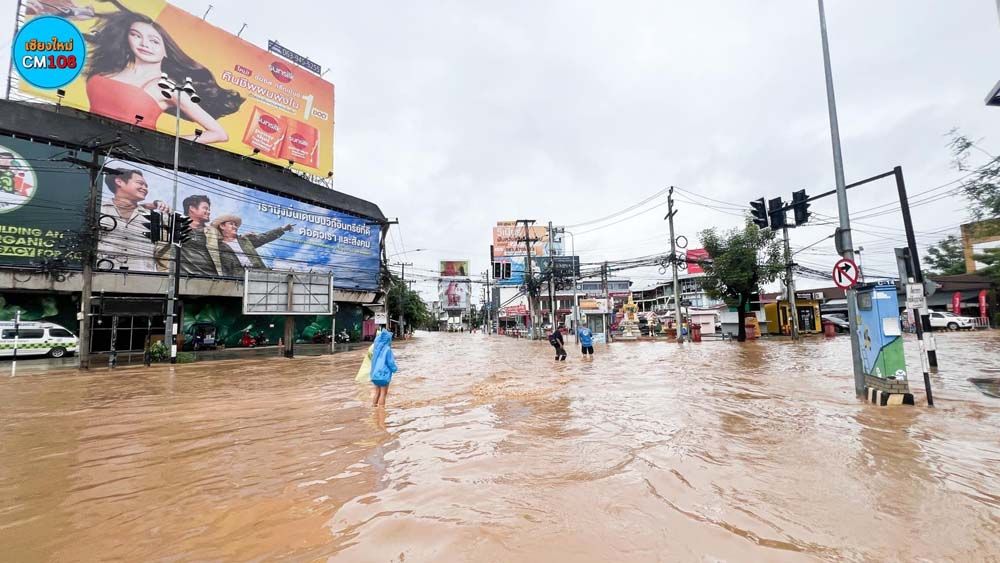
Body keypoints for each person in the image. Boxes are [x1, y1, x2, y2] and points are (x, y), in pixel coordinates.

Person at [84, 6, 244, 143]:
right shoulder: (108, 69)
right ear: (127, 38)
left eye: (154, 41)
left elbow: (219, 134)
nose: (144, 44)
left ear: (166, 50)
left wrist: (168, 144)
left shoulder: (165, 87)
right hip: (87, 140)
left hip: (127, 151)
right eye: (136, 35)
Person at [98, 168, 170, 272]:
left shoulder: (153, 217)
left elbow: (162, 254)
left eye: (146, 186)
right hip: (100, 278)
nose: (145, 188)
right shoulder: (100, 210)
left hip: (142, 281)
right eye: (140, 183)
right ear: (119, 182)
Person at [205, 214, 294, 276]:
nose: (235, 227)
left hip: (259, 275)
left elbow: (264, 237)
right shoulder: (218, 247)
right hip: (238, 282)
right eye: (231, 224)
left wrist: (282, 229)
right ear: (222, 226)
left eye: (236, 225)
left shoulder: (245, 240)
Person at [179, 194, 218, 276]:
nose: (209, 212)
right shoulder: (177, 228)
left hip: (213, 279)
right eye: (205, 208)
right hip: (184, 280)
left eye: (209, 209)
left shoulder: (212, 232)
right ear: (192, 208)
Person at [369, 329, 398, 408]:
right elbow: (390, 363)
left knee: (376, 393)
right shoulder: (387, 349)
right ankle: (381, 411)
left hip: (375, 375)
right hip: (383, 375)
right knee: (383, 393)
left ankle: (373, 408)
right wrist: (395, 369)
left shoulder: (376, 349)